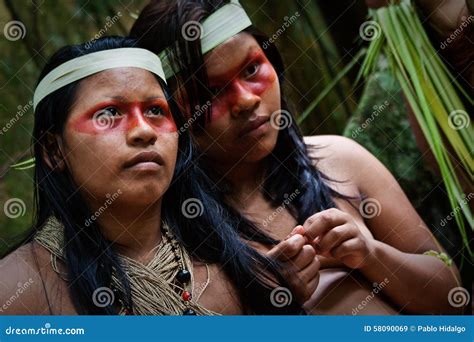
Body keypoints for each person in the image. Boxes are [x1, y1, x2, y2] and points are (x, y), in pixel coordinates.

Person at [130, 0, 462, 314]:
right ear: (169, 113)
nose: (246, 100)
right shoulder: (165, 240)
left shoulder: (338, 158)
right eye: (213, 91)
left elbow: (455, 299)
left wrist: (371, 255)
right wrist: (264, 305)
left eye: (251, 70)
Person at [0, 36, 313, 315]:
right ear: (54, 151)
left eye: (155, 111)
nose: (143, 131)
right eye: (109, 114)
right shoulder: (17, 292)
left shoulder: (243, 263)